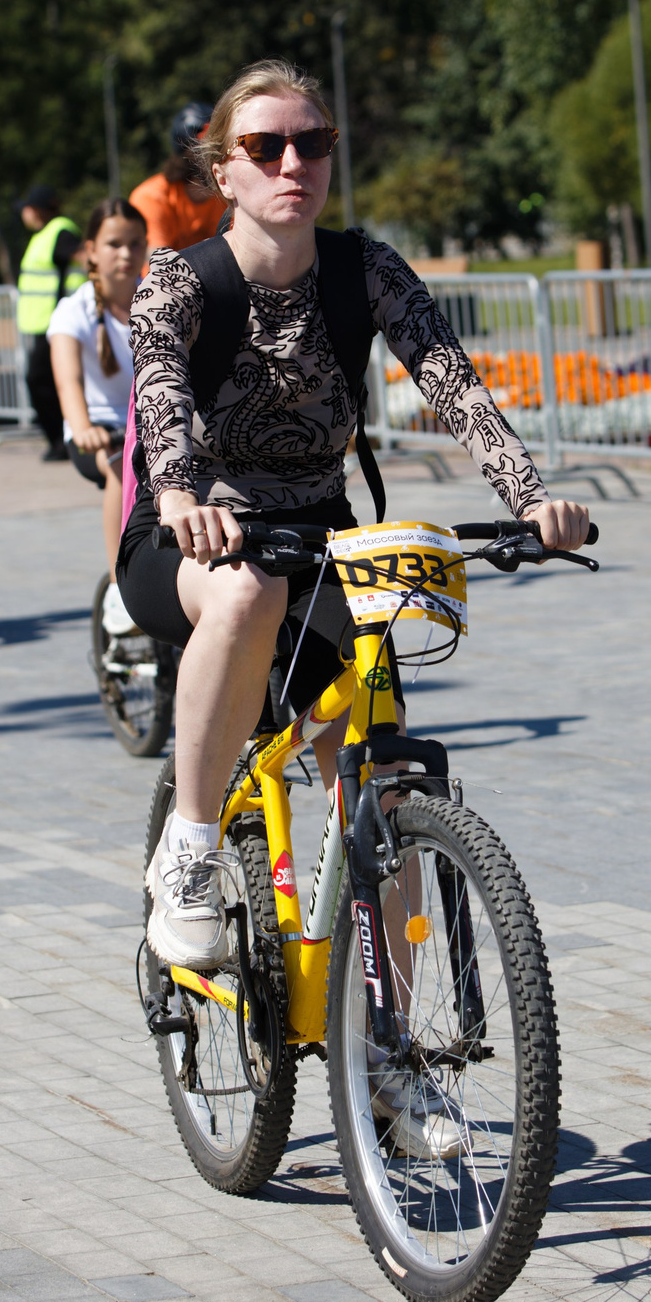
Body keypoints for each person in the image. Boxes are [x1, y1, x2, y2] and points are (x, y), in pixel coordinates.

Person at [120, 62, 589, 1057]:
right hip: (192, 543)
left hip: (325, 537)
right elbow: (158, 395)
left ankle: (391, 1061)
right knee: (245, 592)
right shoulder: (181, 279)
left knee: (379, 790)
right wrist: (176, 496)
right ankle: (192, 850)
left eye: (313, 143)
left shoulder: (366, 271)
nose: (294, 162)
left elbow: (455, 389)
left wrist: (530, 499)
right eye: (265, 147)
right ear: (222, 170)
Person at [48, 198, 148, 578]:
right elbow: (67, 381)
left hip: (152, 429)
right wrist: (84, 427)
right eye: (114, 244)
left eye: (136, 243)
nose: (126, 253)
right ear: (90, 250)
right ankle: (121, 586)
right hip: (101, 435)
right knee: (119, 469)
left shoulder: (159, 300)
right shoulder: (73, 312)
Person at [15, 186, 83, 460]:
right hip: (46, 322)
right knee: (46, 382)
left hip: (57, 323)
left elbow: (84, 257)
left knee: (39, 380)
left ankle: (61, 441)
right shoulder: (46, 234)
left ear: (37, 209)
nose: (23, 214)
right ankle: (61, 442)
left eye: (27, 209)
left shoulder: (60, 231)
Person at [129, 103, 228, 251]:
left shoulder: (227, 194)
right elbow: (159, 262)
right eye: (199, 151)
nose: (210, 158)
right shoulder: (151, 196)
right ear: (182, 154)